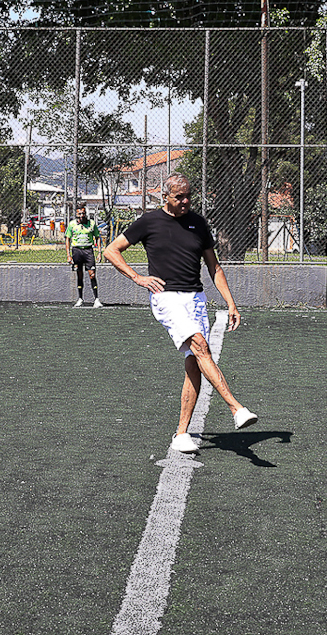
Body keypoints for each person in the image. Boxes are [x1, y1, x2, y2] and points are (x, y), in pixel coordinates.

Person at [102, 174, 257, 454]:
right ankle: (236, 408)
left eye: (188, 196)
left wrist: (231, 303)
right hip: (166, 298)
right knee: (200, 345)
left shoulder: (198, 223)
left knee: (195, 363)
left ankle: (181, 434)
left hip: (195, 299)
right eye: (179, 197)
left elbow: (215, 268)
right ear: (166, 196)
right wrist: (138, 277)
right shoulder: (149, 222)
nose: (185, 202)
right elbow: (111, 250)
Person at [63, 205, 103, 308]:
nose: (82, 215)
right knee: (79, 275)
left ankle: (96, 299)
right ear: (76, 215)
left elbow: (97, 237)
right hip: (76, 251)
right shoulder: (72, 224)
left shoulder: (92, 224)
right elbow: (67, 239)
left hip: (88, 251)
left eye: (83, 213)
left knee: (92, 275)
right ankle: (80, 299)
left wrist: (99, 252)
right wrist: (68, 255)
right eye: (79, 214)